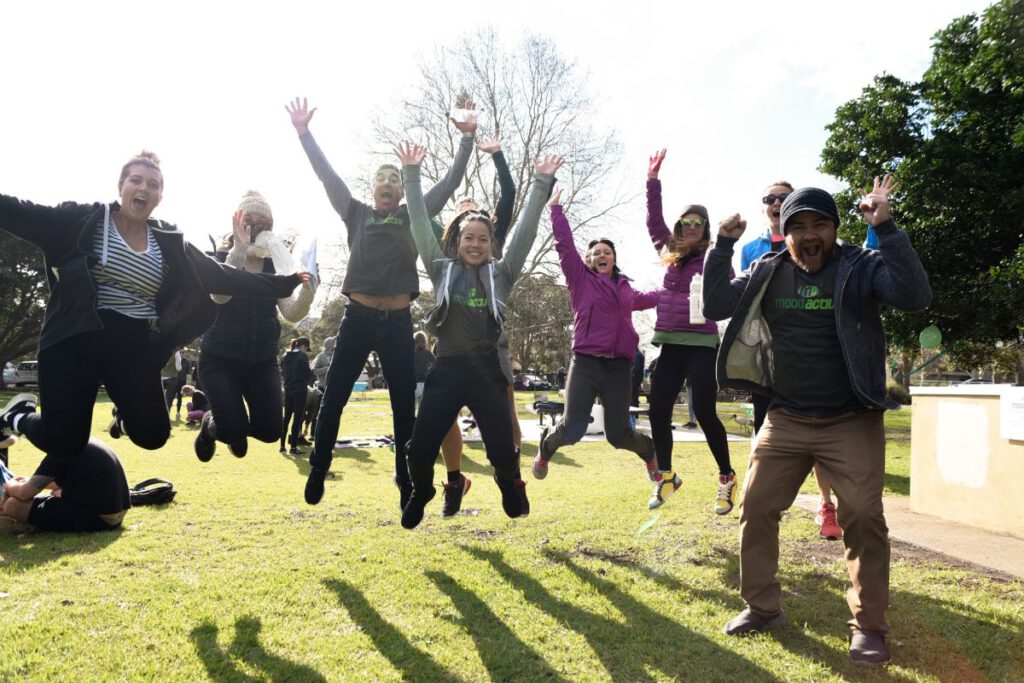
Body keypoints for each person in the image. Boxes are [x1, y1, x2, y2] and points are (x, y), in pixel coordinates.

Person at [704, 176, 931, 667]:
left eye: (820, 224)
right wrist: (722, 245)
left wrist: (886, 226)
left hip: (850, 417)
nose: (810, 235)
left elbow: (914, 295)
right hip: (786, 415)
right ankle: (761, 606)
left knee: (863, 517)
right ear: (783, 232)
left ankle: (869, 625)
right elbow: (715, 305)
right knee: (757, 505)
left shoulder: (862, 265)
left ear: (835, 228)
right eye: (798, 225)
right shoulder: (767, 270)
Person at [0, 152, 307, 470]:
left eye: (153, 184)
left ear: (160, 196)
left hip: (132, 348)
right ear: (121, 186)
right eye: (136, 180)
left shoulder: (168, 240)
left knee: (153, 435)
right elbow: (21, 212)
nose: (143, 188)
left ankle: (123, 410)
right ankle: (18, 417)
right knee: (65, 442)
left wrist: (281, 285)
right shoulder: (82, 221)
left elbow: (220, 275)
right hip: (77, 340)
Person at [286, 97, 475, 506]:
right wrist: (305, 133)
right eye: (382, 179)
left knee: (403, 406)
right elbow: (327, 177)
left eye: (395, 178)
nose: (389, 183)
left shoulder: (412, 216)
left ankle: (405, 481)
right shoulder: (356, 213)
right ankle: (318, 466)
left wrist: (466, 140)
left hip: (397, 322)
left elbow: (448, 186)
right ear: (373, 190)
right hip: (357, 318)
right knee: (333, 395)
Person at [398, 141, 559, 528]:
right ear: (457, 240)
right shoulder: (441, 268)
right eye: (468, 238)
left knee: (503, 450)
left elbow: (525, 230)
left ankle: (509, 483)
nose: (475, 244)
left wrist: (541, 183)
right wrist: (411, 175)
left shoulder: (501, 273)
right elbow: (419, 223)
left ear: (491, 245)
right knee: (419, 450)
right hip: (448, 368)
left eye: (483, 239)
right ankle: (423, 490)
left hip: (487, 370)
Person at [532, 196, 660, 481]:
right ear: (588, 260)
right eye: (596, 252)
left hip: (618, 367)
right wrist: (555, 209)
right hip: (586, 363)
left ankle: (649, 452)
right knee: (572, 429)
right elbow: (564, 244)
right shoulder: (579, 280)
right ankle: (546, 446)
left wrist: (678, 289)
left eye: (607, 252)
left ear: (614, 259)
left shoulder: (627, 290)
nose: (601, 255)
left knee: (618, 435)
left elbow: (653, 297)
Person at [741, 179, 841, 539]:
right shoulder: (752, 248)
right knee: (766, 440)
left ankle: (826, 503)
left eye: (784, 198)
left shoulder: (821, 243)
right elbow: (739, 302)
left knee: (819, 439)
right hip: (768, 361)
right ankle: (758, 501)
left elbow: (867, 269)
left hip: (817, 359)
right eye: (769, 198)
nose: (775, 202)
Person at [430, 136, 522, 516]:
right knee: (443, 418)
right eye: (463, 212)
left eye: (476, 211)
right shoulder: (446, 248)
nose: (470, 211)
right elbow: (420, 213)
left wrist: (498, 156)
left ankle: (511, 478)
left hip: (489, 345)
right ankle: (455, 481)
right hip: (451, 344)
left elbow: (509, 194)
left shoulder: (489, 242)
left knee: (507, 415)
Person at [643, 149, 735, 513]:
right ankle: (666, 478)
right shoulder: (672, 251)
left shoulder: (714, 258)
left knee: (706, 411)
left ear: (706, 228)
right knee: (657, 410)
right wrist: (652, 182)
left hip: (702, 344)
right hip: (670, 343)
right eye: (687, 221)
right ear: (680, 227)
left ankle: (726, 478)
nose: (692, 226)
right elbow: (653, 222)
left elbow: (728, 293)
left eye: (699, 222)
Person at [194, 191, 316, 462]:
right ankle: (215, 426)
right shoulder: (221, 256)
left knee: (270, 431)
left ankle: (233, 428)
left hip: (261, 361)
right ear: (238, 221)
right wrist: (238, 249)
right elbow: (220, 295)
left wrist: (308, 290)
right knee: (229, 428)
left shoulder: (276, 265)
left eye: (265, 221)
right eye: (250, 219)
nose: (257, 225)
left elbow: (292, 313)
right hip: (220, 359)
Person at [1, 438, 130, 532]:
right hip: (117, 513)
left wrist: (8, 484)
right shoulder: (81, 442)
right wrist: (30, 481)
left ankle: (32, 525)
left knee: (13, 505)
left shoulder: (60, 451)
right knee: (56, 493)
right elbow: (56, 483)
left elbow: (24, 494)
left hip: (100, 518)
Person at [281, 337, 313, 455]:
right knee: (297, 419)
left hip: (288, 388)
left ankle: (282, 446)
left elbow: (283, 372)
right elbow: (308, 373)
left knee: (287, 417)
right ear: (303, 346)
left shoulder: (285, 356)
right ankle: (293, 447)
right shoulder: (302, 356)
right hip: (299, 389)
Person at [165, 347, 192, 418]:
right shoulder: (174, 359)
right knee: (170, 398)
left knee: (180, 398)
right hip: (173, 381)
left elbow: (188, 374)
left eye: (183, 352)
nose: (182, 354)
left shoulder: (187, 361)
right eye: (180, 352)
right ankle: (167, 413)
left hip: (182, 383)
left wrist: (188, 385)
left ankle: (178, 413)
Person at [413, 331, 435, 412]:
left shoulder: (411, 353)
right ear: (424, 341)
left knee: (411, 410)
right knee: (421, 411)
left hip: (413, 384)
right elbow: (436, 364)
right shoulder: (428, 353)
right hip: (424, 383)